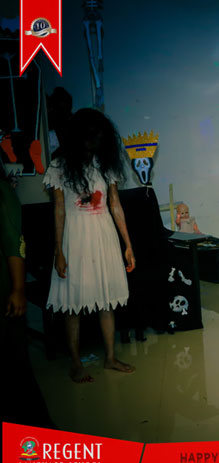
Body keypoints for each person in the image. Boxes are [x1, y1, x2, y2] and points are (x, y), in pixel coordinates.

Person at [44, 108, 136, 383]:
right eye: (88, 137)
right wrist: (58, 250)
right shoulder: (59, 166)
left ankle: (110, 357)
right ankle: (75, 363)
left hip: (103, 234)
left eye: (97, 137)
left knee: (107, 299)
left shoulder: (105, 164)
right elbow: (59, 209)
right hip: (75, 237)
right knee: (73, 303)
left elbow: (115, 204)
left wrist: (128, 244)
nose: (93, 142)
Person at [1, 167, 54, 427]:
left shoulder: (1, 191)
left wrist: (19, 290)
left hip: (5, 292)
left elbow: (14, 242)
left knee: (16, 371)